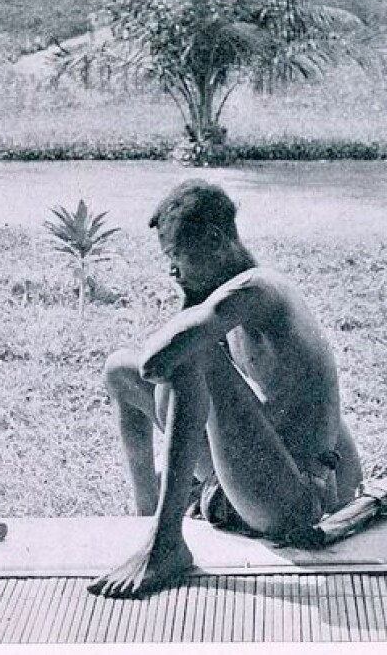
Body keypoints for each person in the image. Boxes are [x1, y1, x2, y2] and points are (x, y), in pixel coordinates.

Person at [92, 179, 364, 599]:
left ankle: (166, 544)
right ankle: (148, 518)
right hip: (261, 481)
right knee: (118, 372)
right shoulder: (230, 302)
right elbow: (147, 373)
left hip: (297, 501)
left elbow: (159, 360)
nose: (173, 271)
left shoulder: (256, 291)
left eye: (176, 257)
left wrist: (191, 309)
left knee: (191, 356)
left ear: (216, 240)